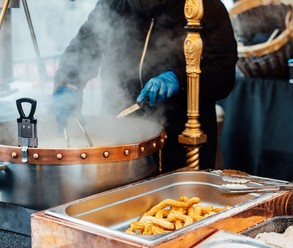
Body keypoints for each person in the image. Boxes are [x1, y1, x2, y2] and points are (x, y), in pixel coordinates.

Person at [51, 0, 238, 173]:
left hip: (181, 141)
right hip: (120, 131)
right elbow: (83, 48)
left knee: (178, 204)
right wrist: (68, 86)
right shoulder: (114, 3)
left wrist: (179, 80)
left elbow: (224, 75)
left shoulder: (205, 6)